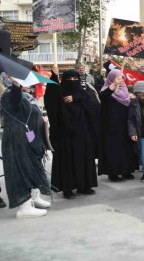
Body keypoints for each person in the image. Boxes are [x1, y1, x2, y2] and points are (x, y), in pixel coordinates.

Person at [0, 74, 51, 218]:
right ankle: (24, 206)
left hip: (27, 138)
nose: (27, 84)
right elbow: (15, 103)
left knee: (32, 166)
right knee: (22, 169)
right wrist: (16, 86)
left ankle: (34, 197)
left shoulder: (24, 95)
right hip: (18, 138)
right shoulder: (10, 94)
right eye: (22, 81)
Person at [45, 66, 100, 199]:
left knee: (83, 159)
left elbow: (93, 105)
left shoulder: (83, 93)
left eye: (75, 78)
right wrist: (54, 77)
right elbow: (51, 99)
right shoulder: (59, 91)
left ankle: (84, 185)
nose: (72, 81)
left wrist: (76, 98)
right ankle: (67, 188)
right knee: (67, 161)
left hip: (82, 133)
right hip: (66, 134)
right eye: (69, 78)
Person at [97, 69, 138, 183]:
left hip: (125, 124)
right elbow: (104, 96)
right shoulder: (106, 90)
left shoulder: (125, 90)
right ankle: (113, 172)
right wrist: (114, 84)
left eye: (122, 78)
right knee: (113, 149)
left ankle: (126, 171)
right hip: (111, 126)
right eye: (117, 77)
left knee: (126, 149)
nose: (121, 80)